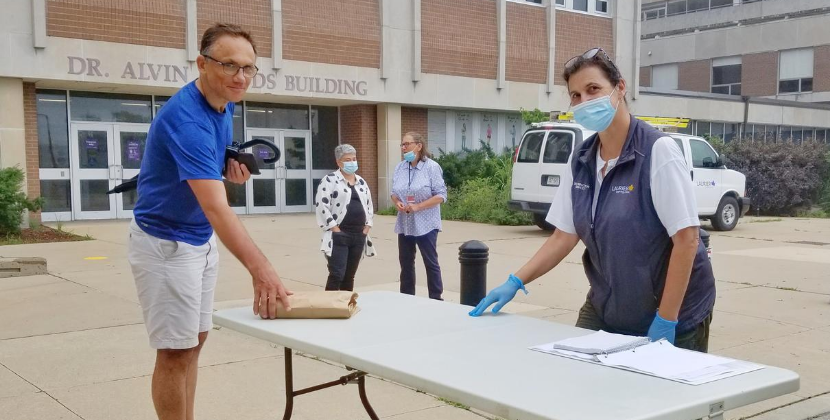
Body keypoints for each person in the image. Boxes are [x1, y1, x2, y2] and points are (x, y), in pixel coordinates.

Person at [469, 47, 716, 353]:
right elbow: (563, 235)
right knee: (575, 380)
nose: (584, 102)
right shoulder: (582, 158)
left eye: (593, 89)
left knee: (657, 399)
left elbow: (687, 240)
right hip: (608, 305)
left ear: (620, 88)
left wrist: (666, 319)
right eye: (575, 95)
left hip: (673, 311)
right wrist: (515, 281)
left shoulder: (657, 151)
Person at [128, 23, 292, 420]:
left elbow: (204, 177)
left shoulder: (223, 103)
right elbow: (218, 208)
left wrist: (224, 167)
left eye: (249, 68)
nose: (241, 77)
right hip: (166, 243)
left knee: (195, 342)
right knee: (174, 352)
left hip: (198, 239)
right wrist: (263, 271)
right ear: (202, 64)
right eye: (229, 65)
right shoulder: (188, 121)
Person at [391, 132, 448, 300]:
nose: (404, 148)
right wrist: (397, 203)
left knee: (430, 262)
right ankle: (407, 297)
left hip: (426, 223)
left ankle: (436, 297)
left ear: (419, 146)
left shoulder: (431, 167)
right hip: (405, 222)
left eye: (407, 144)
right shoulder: (400, 167)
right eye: (402, 145)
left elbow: (441, 196)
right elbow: (394, 193)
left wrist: (418, 206)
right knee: (406, 263)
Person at [315, 144, 376, 291]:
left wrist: (367, 228)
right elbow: (322, 206)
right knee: (337, 274)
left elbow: (369, 206)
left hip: (359, 235)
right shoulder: (329, 180)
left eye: (354, 159)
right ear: (338, 162)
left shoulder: (361, 182)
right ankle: (329, 306)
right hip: (339, 236)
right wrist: (335, 229)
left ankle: (346, 304)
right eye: (347, 159)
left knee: (349, 275)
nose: (352, 162)